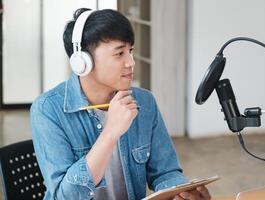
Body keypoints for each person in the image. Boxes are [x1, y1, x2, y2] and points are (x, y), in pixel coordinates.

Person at [31, 8, 211, 200]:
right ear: (82, 61)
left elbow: (165, 172)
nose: (131, 62)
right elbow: (64, 197)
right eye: (119, 54)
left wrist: (181, 192)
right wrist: (110, 132)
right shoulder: (47, 109)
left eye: (130, 51)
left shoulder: (144, 101)